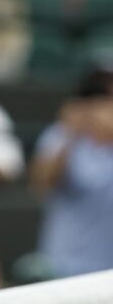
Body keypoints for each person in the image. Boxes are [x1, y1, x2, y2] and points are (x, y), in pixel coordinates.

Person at [30, 64, 113, 278]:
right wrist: (71, 131)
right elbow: (42, 184)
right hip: (62, 267)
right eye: (98, 96)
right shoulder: (60, 135)